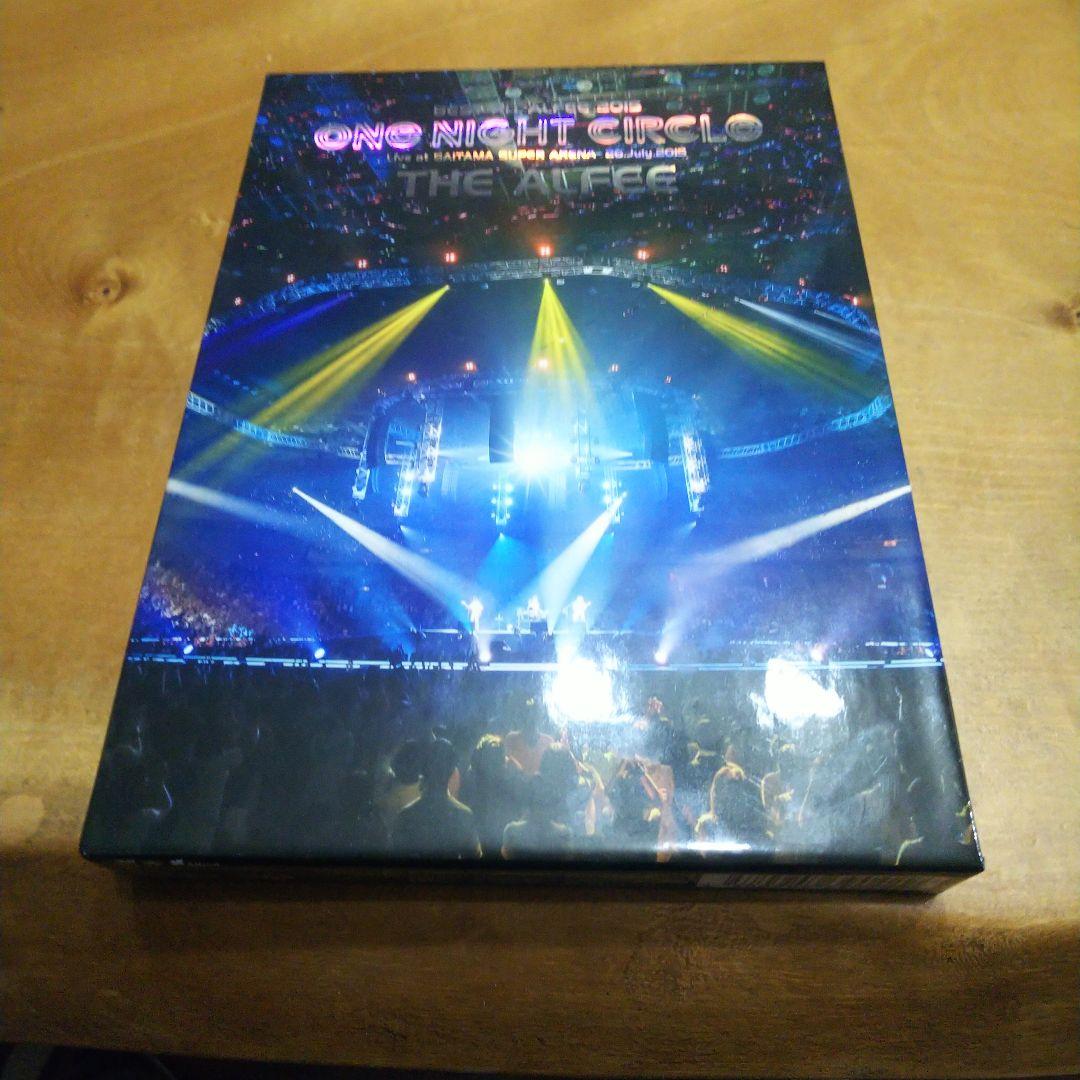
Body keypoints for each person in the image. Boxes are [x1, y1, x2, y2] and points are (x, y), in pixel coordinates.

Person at [391, 738, 481, 859]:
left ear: (423, 770)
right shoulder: (464, 816)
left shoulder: (405, 816)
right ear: (452, 772)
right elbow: (474, 859)